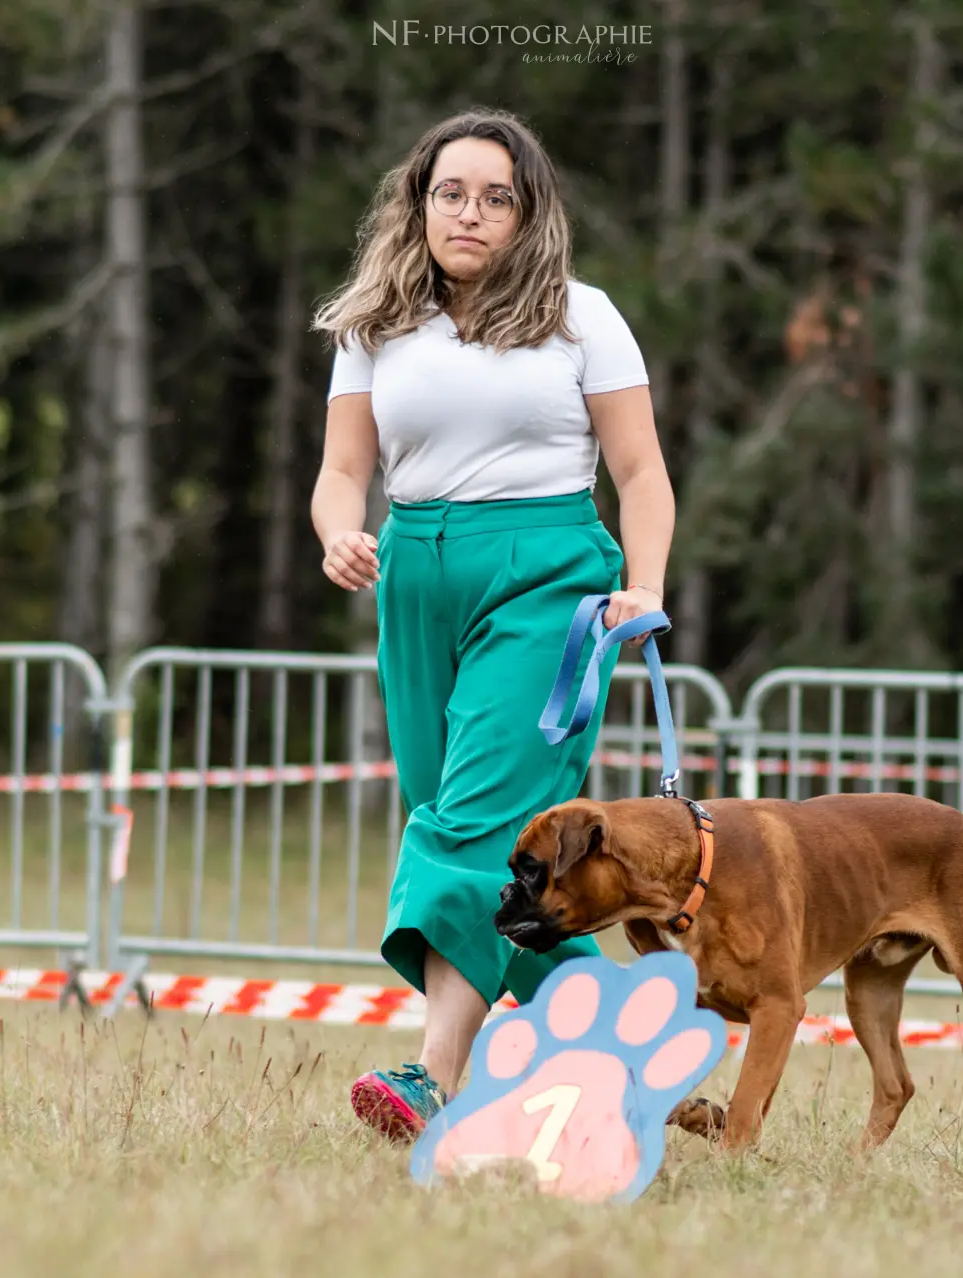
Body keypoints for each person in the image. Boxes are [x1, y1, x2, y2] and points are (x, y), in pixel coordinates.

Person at [309, 107, 677, 1142]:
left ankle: (432, 1076)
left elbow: (641, 473)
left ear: (527, 214)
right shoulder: (372, 323)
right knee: (475, 838)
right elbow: (342, 472)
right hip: (415, 576)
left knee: (463, 823)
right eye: (450, 193)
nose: (469, 214)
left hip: (547, 580)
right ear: (418, 204)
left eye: (495, 197)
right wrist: (340, 532)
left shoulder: (581, 316)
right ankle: (618, 1045)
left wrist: (640, 588)